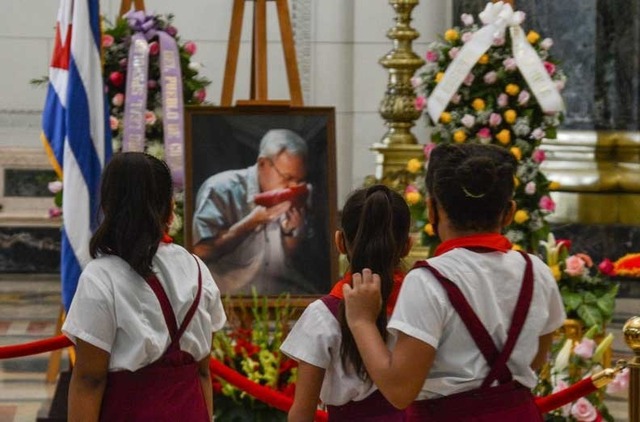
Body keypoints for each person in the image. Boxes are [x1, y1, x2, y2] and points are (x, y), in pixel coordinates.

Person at [343, 143, 566, 421]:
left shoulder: (427, 281)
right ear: (509, 212)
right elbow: (535, 359)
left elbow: (399, 390)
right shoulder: (538, 271)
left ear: (432, 211)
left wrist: (361, 322)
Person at [62, 152, 227, 421]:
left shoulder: (100, 277)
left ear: (108, 206)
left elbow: (89, 380)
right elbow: (202, 371)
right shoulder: (196, 268)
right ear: (169, 208)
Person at [281, 184, 412, 421]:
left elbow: (302, 412)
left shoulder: (322, 315)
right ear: (407, 246)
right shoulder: (421, 305)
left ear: (340, 242)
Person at [192, 129, 310, 296]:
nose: (293, 186)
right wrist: (250, 223)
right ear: (263, 164)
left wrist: (292, 233)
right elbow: (200, 252)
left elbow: (289, 264)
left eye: (298, 180)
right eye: (287, 177)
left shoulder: (300, 194)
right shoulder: (220, 189)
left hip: (282, 304)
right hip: (228, 305)